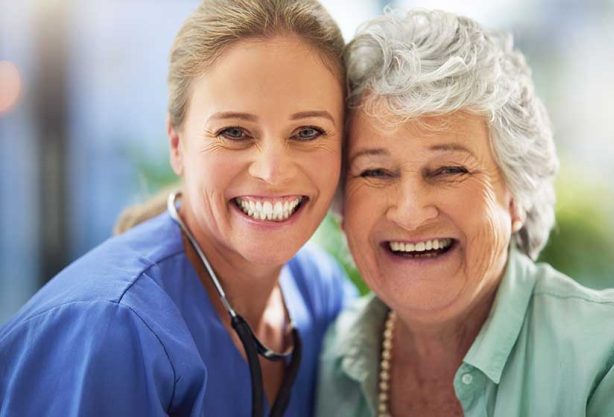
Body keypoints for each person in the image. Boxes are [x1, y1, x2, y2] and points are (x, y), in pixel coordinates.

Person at [0, 1, 354, 416]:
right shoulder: (109, 328)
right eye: (234, 132)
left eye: (308, 131)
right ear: (176, 144)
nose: (272, 172)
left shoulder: (318, 292)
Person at [316, 9, 614, 417]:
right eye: (375, 172)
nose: (411, 213)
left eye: (449, 170)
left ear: (516, 197)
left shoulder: (607, 355)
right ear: (341, 209)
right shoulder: (324, 362)